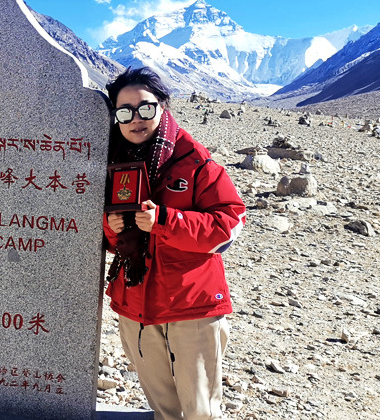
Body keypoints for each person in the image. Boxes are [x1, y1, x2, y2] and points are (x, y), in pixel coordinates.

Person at [103, 67, 245, 420]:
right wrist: (112, 227)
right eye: (125, 112)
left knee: (201, 411)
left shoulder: (193, 159)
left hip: (190, 305)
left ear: (162, 106)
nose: (136, 119)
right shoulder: (113, 160)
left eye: (145, 108)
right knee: (163, 410)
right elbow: (110, 241)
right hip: (136, 304)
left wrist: (166, 220)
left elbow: (228, 224)